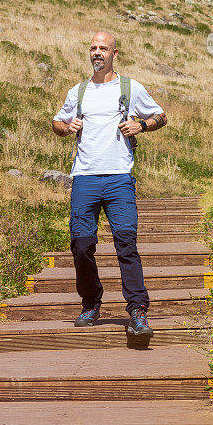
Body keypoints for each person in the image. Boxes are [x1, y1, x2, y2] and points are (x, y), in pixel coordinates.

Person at [52, 30, 167, 336]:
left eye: (104, 48)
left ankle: (138, 311)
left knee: (126, 243)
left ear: (116, 53)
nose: (97, 52)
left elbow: (161, 116)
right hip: (85, 179)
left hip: (119, 179)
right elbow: (57, 122)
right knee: (81, 245)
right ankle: (91, 304)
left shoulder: (131, 87)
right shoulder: (78, 92)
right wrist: (66, 127)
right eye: (93, 48)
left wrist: (140, 125)